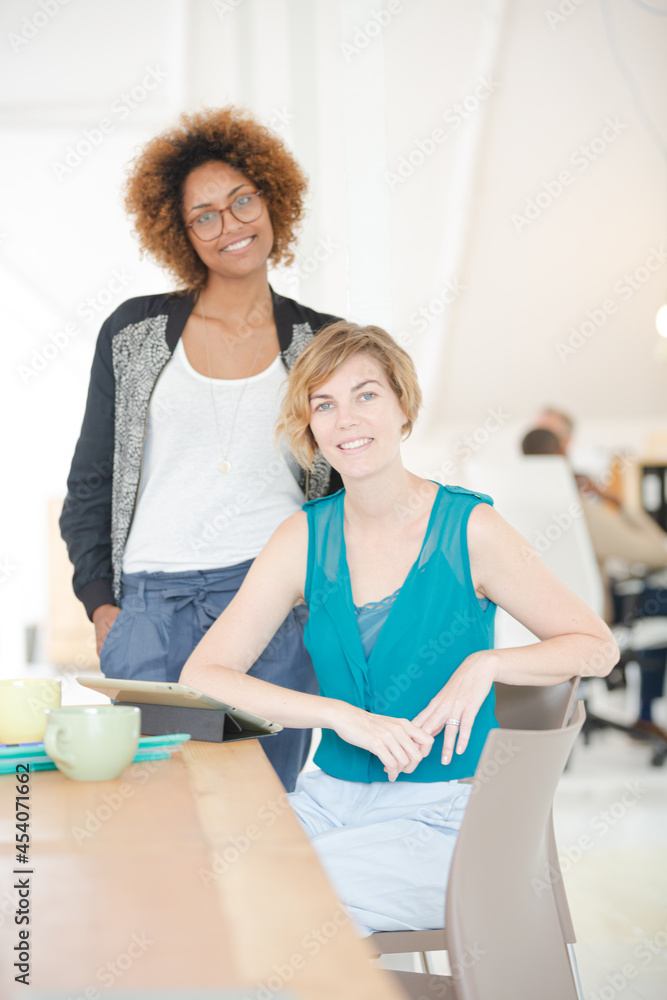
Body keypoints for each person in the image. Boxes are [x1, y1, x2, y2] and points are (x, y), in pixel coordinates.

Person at [181, 322, 618, 937]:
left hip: (447, 819)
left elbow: (597, 646)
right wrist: (338, 716)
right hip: (326, 801)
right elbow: (204, 673)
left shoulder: (471, 528)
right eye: (324, 405)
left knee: (273, 901)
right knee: (197, 889)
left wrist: (487, 665)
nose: (346, 420)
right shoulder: (301, 538)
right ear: (311, 429)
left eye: (366, 395)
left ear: (402, 405)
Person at [59, 107, 343, 791]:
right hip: (148, 611)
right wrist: (105, 608)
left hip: (272, 605)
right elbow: (90, 484)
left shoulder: (324, 342)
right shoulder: (133, 333)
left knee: (262, 817)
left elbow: (346, 492)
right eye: (204, 215)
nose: (230, 225)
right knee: (148, 819)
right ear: (181, 233)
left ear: (273, 201)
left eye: (242, 199)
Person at [522, 426, 667, 740]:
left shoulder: (512, 504)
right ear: (563, 455)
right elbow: (658, 552)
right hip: (588, 617)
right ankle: (645, 715)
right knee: (660, 602)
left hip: (525, 619)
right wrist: (615, 501)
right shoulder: (577, 509)